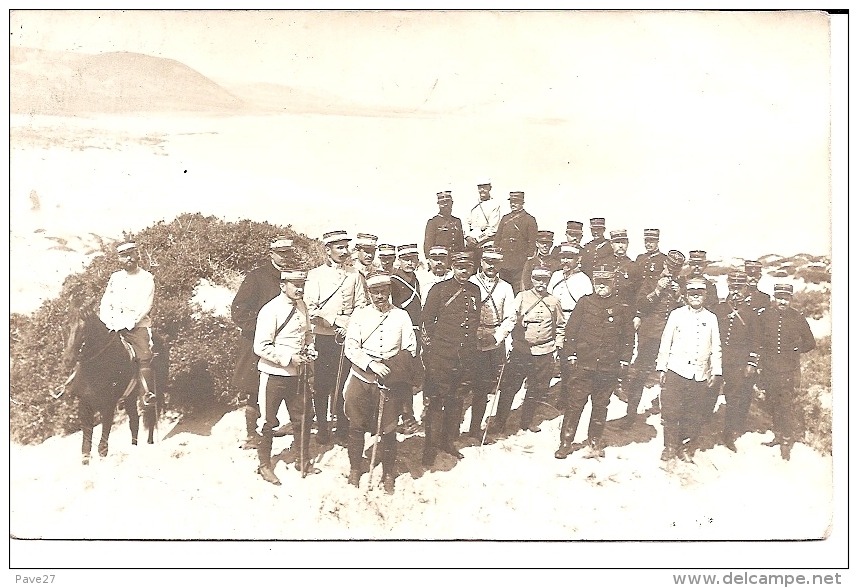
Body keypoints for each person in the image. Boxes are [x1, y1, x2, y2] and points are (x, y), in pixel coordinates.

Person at [343, 271, 417, 493]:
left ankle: (387, 473)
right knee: (356, 426)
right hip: (362, 378)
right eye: (374, 292)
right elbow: (351, 348)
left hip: (390, 383)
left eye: (383, 291)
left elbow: (410, 349)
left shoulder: (402, 316)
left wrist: (391, 368)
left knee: (389, 429)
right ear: (368, 293)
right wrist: (370, 364)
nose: (379, 296)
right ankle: (355, 469)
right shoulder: (360, 315)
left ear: (389, 292)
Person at [555, 266, 634, 459]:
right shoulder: (585, 302)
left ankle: (594, 441)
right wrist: (571, 355)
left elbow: (628, 337)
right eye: (598, 283)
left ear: (613, 284)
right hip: (584, 365)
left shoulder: (621, 307)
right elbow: (571, 331)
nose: (601, 286)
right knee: (575, 405)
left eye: (605, 283)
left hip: (608, 367)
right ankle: (565, 442)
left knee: (600, 406)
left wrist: (625, 359)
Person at [253, 269, 317, 485]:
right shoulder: (270, 310)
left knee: (302, 417)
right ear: (283, 285)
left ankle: (302, 459)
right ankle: (264, 465)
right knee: (268, 421)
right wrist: (289, 358)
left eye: (302, 284)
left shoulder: (302, 305)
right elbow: (260, 346)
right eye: (295, 284)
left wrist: (310, 349)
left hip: (298, 375)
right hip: (274, 375)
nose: (300, 288)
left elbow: (307, 333)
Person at [230, 235, 294, 449]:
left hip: (287, 344)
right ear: (271, 254)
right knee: (254, 389)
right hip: (256, 344)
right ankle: (251, 435)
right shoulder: (257, 277)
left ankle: (281, 425)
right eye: (281, 253)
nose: (286, 257)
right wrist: (262, 330)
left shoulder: (294, 279)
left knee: (286, 385)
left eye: (289, 253)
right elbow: (238, 311)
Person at [305, 230, 367, 445]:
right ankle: (323, 428)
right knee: (322, 386)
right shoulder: (315, 275)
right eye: (339, 247)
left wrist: (349, 325)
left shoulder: (355, 275)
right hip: (324, 338)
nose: (344, 251)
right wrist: (334, 321)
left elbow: (361, 305)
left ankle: (342, 429)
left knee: (343, 386)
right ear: (327, 250)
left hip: (346, 339)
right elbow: (310, 309)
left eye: (345, 247)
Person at [489, 265, 565, 435]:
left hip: (544, 352)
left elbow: (560, 326)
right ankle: (500, 422)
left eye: (544, 280)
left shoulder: (554, 301)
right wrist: (503, 333)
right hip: (521, 352)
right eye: (537, 279)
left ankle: (527, 421)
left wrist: (558, 345)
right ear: (532, 280)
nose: (541, 283)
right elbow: (511, 317)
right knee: (509, 387)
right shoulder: (522, 297)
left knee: (536, 389)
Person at [420, 251, 480, 465]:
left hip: (465, 356)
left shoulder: (475, 290)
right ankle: (429, 446)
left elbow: (473, 321)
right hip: (441, 356)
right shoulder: (439, 289)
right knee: (436, 401)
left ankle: (447, 441)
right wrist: (432, 351)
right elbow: (426, 320)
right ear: (452, 267)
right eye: (460, 267)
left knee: (456, 400)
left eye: (468, 267)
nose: (464, 271)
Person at [656, 277, 723, 463]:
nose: (695, 297)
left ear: (705, 295)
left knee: (693, 413)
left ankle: (685, 447)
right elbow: (665, 341)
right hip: (676, 370)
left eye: (699, 293)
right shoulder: (676, 315)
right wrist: (662, 367)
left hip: (699, 373)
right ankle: (670, 446)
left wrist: (716, 371)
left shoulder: (711, 318)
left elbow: (716, 347)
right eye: (692, 293)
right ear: (685, 295)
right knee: (671, 411)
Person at [617, 250, 686, 429]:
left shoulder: (681, 283)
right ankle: (630, 415)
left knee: (672, 377)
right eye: (670, 267)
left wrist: (679, 297)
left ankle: (669, 416)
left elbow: (686, 311)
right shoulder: (651, 280)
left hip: (673, 337)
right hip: (651, 334)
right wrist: (657, 290)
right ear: (664, 265)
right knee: (640, 374)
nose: (672, 272)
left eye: (676, 269)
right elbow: (640, 304)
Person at [752, 283, 816, 460]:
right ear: (774, 298)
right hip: (769, 368)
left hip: (788, 369)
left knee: (785, 405)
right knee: (772, 402)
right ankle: (778, 435)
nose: (782, 301)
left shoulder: (797, 317)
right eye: (779, 298)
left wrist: (796, 350)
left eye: (786, 299)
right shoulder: (765, 316)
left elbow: (810, 343)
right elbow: (758, 339)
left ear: (791, 300)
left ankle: (787, 441)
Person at [99, 241, 156, 425]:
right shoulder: (115, 278)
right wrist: (108, 321)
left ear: (137, 255)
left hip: (136, 325)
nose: (128, 259)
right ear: (119, 259)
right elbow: (105, 302)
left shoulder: (146, 278)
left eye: (131, 254)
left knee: (144, 355)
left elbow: (145, 306)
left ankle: (147, 394)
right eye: (124, 256)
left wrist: (128, 323)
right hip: (114, 324)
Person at [466, 247, 516, 439]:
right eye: (488, 261)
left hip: (493, 341)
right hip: (470, 339)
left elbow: (510, 317)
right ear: (481, 262)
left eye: (495, 263)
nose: (491, 266)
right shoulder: (471, 283)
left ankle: (475, 429)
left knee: (483, 387)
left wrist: (496, 337)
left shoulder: (505, 287)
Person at [712, 271, 759, 452]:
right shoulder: (719, 309)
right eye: (733, 287)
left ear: (746, 288)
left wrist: (751, 363)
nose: (736, 291)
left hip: (737, 364)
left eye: (739, 288)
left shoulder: (751, 313)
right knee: (709, 393)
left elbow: (756, 341)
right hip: (718, 359)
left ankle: (728, 434)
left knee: (733, 398)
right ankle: (703, 423)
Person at [390, 244, 423, 434]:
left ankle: (407, 416)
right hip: (400, 333)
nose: (410, 263)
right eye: (406, 259)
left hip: (415, 333)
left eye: (413, 259)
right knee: (398, 376)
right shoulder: (394, 280)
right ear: (399, 260)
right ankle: (403, 417)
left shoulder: (416, 279)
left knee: (409, 376)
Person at [495, 190, 538, 295]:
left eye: (516, 201)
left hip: (520, 262)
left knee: (518, 289)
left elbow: (532, 242)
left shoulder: (529, 219)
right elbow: (498, 238)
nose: (513, 204)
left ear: (522, 202)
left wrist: (527, 258)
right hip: (504, 261)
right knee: (503, 289)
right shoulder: (505, 219)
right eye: (512, 202)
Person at [423, 190, 464, 259]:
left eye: (447, 202)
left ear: (452, 203)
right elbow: (428, 246)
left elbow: (461, 244)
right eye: (442, 202)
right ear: (438, 204)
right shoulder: (433, 222)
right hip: (441, 259)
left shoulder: (457, 221)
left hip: (456, 259)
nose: (445, 205)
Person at [465, 178, 502, 252]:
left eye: (485, 187)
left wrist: (477, 239)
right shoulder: (472, 203)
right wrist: (467, 236)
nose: (482, 190)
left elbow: (493, 229)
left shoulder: (494, 205)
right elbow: (466, 222)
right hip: (470, 243)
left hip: (485, 243)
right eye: (480, 187)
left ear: (490, 188)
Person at [605, 229, 637, 308]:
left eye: (623, 242)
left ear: (627, 244)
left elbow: (637, 291)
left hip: (626, 310)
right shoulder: (604, 264)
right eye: (617, 242)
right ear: (611, 244)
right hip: (606, 308)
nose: (620, 245)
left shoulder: (634, 266)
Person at [353, 233, 378, 297]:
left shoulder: (377, 273)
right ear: (357, 251)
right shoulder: (350, 272)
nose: (370, 255)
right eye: (367, 251)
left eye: (373, 252)